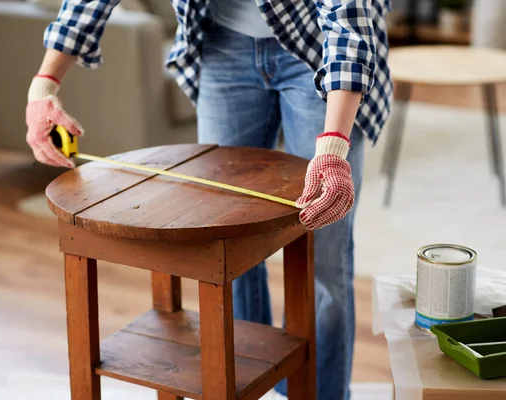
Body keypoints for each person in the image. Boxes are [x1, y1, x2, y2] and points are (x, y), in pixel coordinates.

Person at [26, 1, 393, 398]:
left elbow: (347, 22)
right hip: (223, 45)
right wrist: (44, 83)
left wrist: (335, 144)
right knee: (228, 238)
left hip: (318, 43)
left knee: (325, 244)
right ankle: (256, 390)